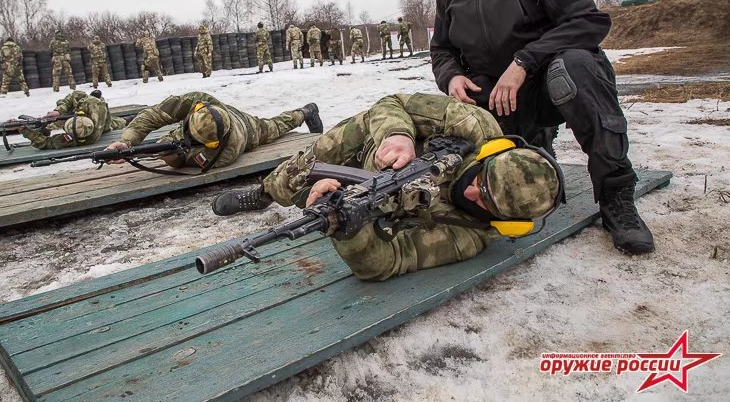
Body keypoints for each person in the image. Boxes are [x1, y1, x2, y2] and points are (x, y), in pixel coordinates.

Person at [432, 0, 653, 254]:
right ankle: (531, 146)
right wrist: (452, 76)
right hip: (498, 96)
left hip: (546, 82)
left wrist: (524, 61)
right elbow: (442, 49)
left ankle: (616, 197)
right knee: (469, 137)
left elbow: (589, 21)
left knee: (575, 66)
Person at [211, 93, 562, 281]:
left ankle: (311, 196)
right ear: (492, 154)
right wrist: (398, 135)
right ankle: (265, 193)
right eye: (482, 182)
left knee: (318, 196)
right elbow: (391, 103)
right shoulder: (471, 124)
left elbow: (385, 263)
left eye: (486, 202)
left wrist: (346, 227)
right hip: (371, 144)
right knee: (310, 163)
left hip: (371, 206)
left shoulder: (468, 236)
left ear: (507, 223)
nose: (472, 194)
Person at [104, 91, 324, 171]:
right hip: (222, 112)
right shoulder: (199, 100)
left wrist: (162, 152)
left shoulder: (227, 151)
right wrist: (128, 143)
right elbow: (155, 114)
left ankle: (305, 112)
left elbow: (180, 161)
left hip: (247, 128)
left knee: (276, 125)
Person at [18, 90, 126, 150]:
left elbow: (45, 143)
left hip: (105, 124)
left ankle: (126, 120)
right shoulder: (92, 105)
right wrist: (58, 111)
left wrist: (24, 130)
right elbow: (74, 95)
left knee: (117, 124)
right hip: (96, 112)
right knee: (121, 121)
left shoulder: (80, 139)